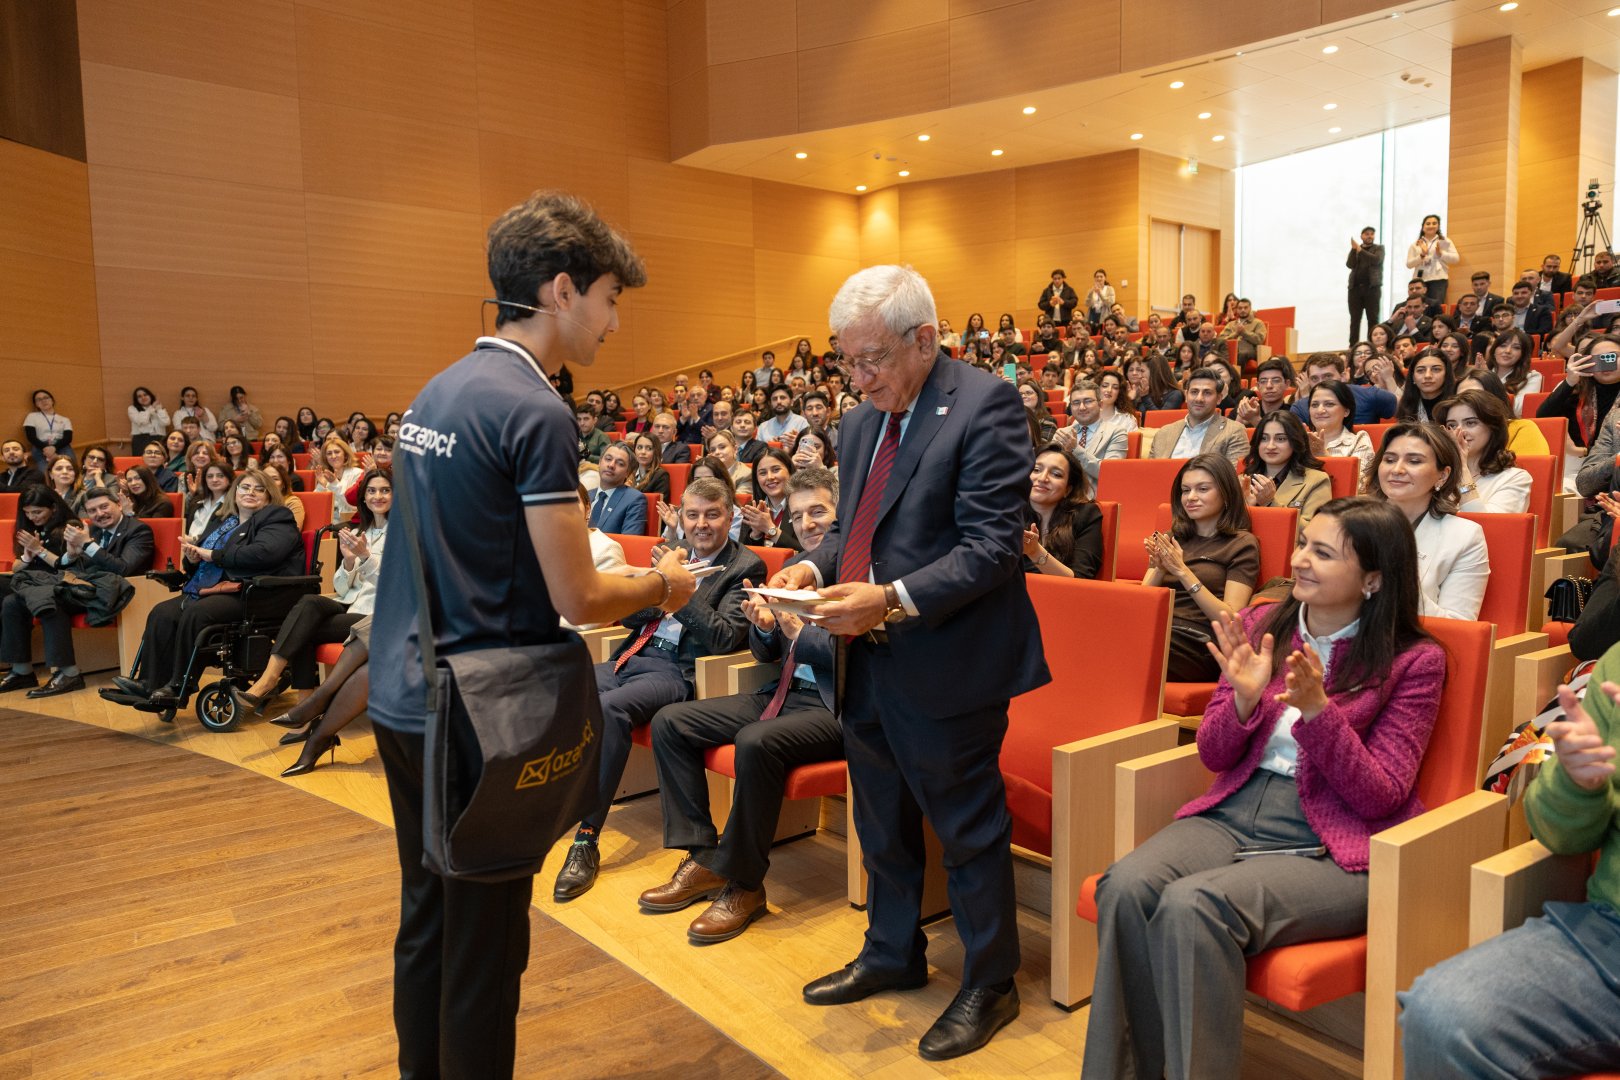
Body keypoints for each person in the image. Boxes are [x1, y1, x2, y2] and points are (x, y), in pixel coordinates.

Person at [364, 191, 698, 1079]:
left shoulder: (439, 390)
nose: (613, 322)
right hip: (478, 714)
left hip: (404, 694)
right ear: (561, 290)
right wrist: (665, 584)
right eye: (609, 300)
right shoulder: (535, 409)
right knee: (485, 946)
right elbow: (580, 594)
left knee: (429, 919)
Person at [769, 264, 1048, 1062]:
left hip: (948, 661)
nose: (857, 378)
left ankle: (991, 981)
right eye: (847, 360)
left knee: (966, 831)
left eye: (872, 360)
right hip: (866, 658)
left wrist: (888, 599)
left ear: (924, 339)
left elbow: (992, 548)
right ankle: (893, 951)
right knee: (880, 821)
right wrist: (813, 567)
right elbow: (855, 529)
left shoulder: (985, 404)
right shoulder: (863, 422)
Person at [1087, 498, 1446, 1080]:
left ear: (1374, 579)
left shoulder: (1415, 661)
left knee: (1193, 906)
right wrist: (1245, 698)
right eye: (1303, 543)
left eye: (1322, 553)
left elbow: (1382, 794)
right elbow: (1214, 755)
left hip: (1336, 843)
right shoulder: (1260, 626)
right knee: (1125, 886)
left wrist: (1320, 713)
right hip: (1234, 809)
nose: (1299, 560)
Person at [638, 467, 844, 943]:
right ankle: (703, 856)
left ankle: (745, 885)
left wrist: (801, 634)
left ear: (840, 519)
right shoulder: (793, 567)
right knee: (671, 723)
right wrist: (766, 627)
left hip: (836, 706)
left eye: (819, 512)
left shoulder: (862, 576)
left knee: (755, 741)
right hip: (781, 693)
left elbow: (863, 658)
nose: (808, 523)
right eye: (798, 515)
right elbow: (764, 652)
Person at [553, 478, 762, 902]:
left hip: (676, 671)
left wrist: (677, 595)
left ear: (730, 517)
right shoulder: (674, 553)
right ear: (681, 517)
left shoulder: (745, 566)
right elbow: (630, 616)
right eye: (692, 515)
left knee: (608, 710)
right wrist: (655, 585)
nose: (701, 524)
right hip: (632, 655)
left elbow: (724, 637)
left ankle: (586, 839)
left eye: (712, 514)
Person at [115, 469, 304, 706]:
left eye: (259, 489)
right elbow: (203, 556)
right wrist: (192, 558)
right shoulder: (226, 522)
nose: (251, 492)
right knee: (162, 612)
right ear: (235, 492)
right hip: (215, 588)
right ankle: (149, 684)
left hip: (258, 593)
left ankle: (178, 686)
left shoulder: (277, 517)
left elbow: (263, 553)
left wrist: (212, 554)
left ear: (269, 495)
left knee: (197, 613)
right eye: (245, 487)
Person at [234, 469, 391, 714]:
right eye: (371, 491)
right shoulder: (359, 532)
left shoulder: (403, 534)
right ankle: (289, 694)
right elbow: (341, 587)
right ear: (363, 497)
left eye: (385, 490)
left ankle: (290, 698)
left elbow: (394, 587)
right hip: (350, 604)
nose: (377, 496)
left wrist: (365, 557)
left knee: (303, 629)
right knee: (308, 603)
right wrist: (349, 562)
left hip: (377, 614)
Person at [0, 485, 156, 697]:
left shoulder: (138, 531)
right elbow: (67, 566)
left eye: (104, 507)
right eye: (92, 510)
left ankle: (69, 673)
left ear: (118, 504)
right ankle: (21, 670)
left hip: (113, 592)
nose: (99, 514)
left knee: (50, 600)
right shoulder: (92, 530)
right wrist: (71, 555)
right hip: (81, 585)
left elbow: (124, 568)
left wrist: (87, 544)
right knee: (13, 601)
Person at [1143, 454, 1259, 682]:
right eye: (1185, 490)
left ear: (1226, 493)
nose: (1191, 497)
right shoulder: (1172, 537)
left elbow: (1231, 618)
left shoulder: (1242, 543)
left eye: (1202, 489)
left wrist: (1182, 571)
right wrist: (1159, 569)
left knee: (1130, 646)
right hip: (1158, 628)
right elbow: (1141, 603)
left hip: (1200, 641)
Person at [1369, 423, 1489, 619]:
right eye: (1389, 460)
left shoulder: (1465, 537)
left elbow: (1458, 625)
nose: (1397, 469)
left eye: (1414, 461)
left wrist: (1398, 579)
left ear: (1443, 475)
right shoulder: (1351, 521)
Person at [1432, 390, 1532, 514]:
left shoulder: (1515, 478)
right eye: (1451, 426)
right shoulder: (1441, 473)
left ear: (1493, 428)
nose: (1460, 431)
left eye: (1470, 423)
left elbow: (1485, 524)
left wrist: (1461, 467)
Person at [1023, 443, 1102, 578]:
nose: (1042, 478)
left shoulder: (1086, 515)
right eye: (1036, 470)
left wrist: (1035, 552)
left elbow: (1081, 580)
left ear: (1068, 489)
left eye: (1056, 474)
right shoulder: (1008, 511)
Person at [1243, 411, 1332, 525]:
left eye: (1280, 439)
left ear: (1295, 442)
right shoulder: (1242, 480)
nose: (1270, 446)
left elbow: (1315, 530)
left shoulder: (1316, 480)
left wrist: (1270, 503)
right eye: (1264, 438)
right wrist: (1244, 510)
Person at [1147, 368, 1248, 463]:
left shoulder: (1233, 431)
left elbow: (1234, 474)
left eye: (1207, 393)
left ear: (1219, 398)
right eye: (1194, 392)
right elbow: (1150, 471)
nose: (1199, 399)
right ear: (1186, 396)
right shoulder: (1164, 433)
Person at [1457, 369, 1551, 459]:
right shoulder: (1452, 432)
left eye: (1477, 397)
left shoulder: (1521, 429)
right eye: (1461, 398)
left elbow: (1529, 468)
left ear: (1497, 400)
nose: (1467, 404)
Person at [1052, 379, 1129, 483]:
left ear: (1100, 405)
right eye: (1076, 403)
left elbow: (1110, 473)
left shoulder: (1117, 432)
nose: (1082, 407)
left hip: (1094, 492)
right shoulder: (1062, 434)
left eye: (1088, 401)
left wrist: (1075, 449)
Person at [1306, 379, 1376, 480]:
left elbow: (1359, 483)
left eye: (1329, 404)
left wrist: (1323, 455)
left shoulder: (1359, 441)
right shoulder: (1301, 441)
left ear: (1346, 411)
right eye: (1314, 405)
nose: (1320, 410)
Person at [739, 447, 797, 549]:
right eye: (763, 473)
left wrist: (770, 529)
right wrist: (755, 535)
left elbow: (808, 551)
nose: (770, 477)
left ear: (789, 471)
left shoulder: (802, 506)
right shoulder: (752, 508)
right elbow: (742, 554)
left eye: (776, 470)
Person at [1406, 213, 1461, 302]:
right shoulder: (1416, 244)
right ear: (1423, 227)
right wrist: (1422, 255)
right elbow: (1409, 264)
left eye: (1434, 223)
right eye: (1428, 224)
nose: (1431, 226)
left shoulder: (1445, 241)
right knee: (1419, 305)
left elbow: (1456, 259)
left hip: (1438, 279)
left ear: (1438, 226)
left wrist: (1441, 254)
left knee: (1436, 306)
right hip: (1420, 280)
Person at [1394, 349, 1456, 423]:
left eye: (1436, 369)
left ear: (1446, 374)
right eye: (1420, 370)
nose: (1427, 375)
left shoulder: (1458, 405)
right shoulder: (1405, 406)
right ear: (1413, 377)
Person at [1347, 226, 1385, 346]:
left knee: (1373, 319)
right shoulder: (1356, 249)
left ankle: (1372, 345)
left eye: (1372, 234)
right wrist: (1354, 249)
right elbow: (1349, 264)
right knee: (1355, 319)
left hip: (1372, 288)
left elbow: (1376, 260)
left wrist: (1360, 250)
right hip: (1355, 289)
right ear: (1361, 236)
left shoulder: (1379, 248)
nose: (1369, 236)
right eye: (1366, 234)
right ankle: (1353, 346)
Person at [314, 435, 364, 524]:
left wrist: (334, 483)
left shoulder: (357, 473)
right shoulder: (326, 475)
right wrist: (322, 486)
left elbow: (353, 505)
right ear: (326, 458)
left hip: (351, 521)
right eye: (329, 453)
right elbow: (316, 504)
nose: (333, 456)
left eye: (337, 452)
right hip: (329, 522)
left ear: (345, 455)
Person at [23, 389, 73, 471]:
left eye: (46, 398)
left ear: (52, 400)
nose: (43, 401)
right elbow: (31, 437)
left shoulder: (64, 419)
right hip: (40, 446)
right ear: (36, 404)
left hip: (61, 445)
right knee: (45, 472)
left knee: (71, 468)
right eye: (39, 399)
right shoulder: (31, 416)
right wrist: (46, 449)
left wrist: (54, 448)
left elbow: (68, 438)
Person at [185, 461, 234, 537]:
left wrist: (193, 540)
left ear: (229, 479)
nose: (214, 480)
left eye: (220, 476)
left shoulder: (233, 504)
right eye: (210, 476)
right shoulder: (197, 501)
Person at [1217, 298, 1267, 367]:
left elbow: (1259, 340)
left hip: (1250, 349)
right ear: (1237, 310)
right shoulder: (1231, 324)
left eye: (1245, 308)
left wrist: (1244, 333)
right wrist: (1235, 334)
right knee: (1216, 352)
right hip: (1232, 348)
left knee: (1241, 353)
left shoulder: (1258, 323)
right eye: (1240, 308)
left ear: (1250, 308)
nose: (1243, 310)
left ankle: (1234, 373)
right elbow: (1220, 340)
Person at [127, 386, 170, 456]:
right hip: (141, 439)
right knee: (140, 461)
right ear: (136, 399)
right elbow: (142, 420)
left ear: (150, 395)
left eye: (145, 395)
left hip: (159, 438)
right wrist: (152, 408)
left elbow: (166, 422)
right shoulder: (132, 409)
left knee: (160, 459)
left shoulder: (158, 407)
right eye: (139, 396)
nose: (143, 397)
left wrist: (159, 409)